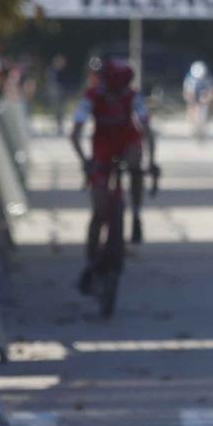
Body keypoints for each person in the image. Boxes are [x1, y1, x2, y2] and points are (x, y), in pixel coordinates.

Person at [69, 58, 154, 289]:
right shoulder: (92, 95)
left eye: (121, 89)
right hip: (102, 145)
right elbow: (75, 132)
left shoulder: (132, 96)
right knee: (99, 207)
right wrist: (85, 161)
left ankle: (136, 213)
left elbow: (147, 129)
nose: (116, 95)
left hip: (127, 140)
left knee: (136, 162)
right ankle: (91, 259)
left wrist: (151, 163)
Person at [183, 60, 213, 140]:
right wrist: (191, 100)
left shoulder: (209, 79)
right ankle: (194, 126)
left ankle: (206, 123)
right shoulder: (189, 79)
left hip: (205, 101)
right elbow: (187, 93)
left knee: (207, 109)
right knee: (192, 110)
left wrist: (208, 97)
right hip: (194, 100)